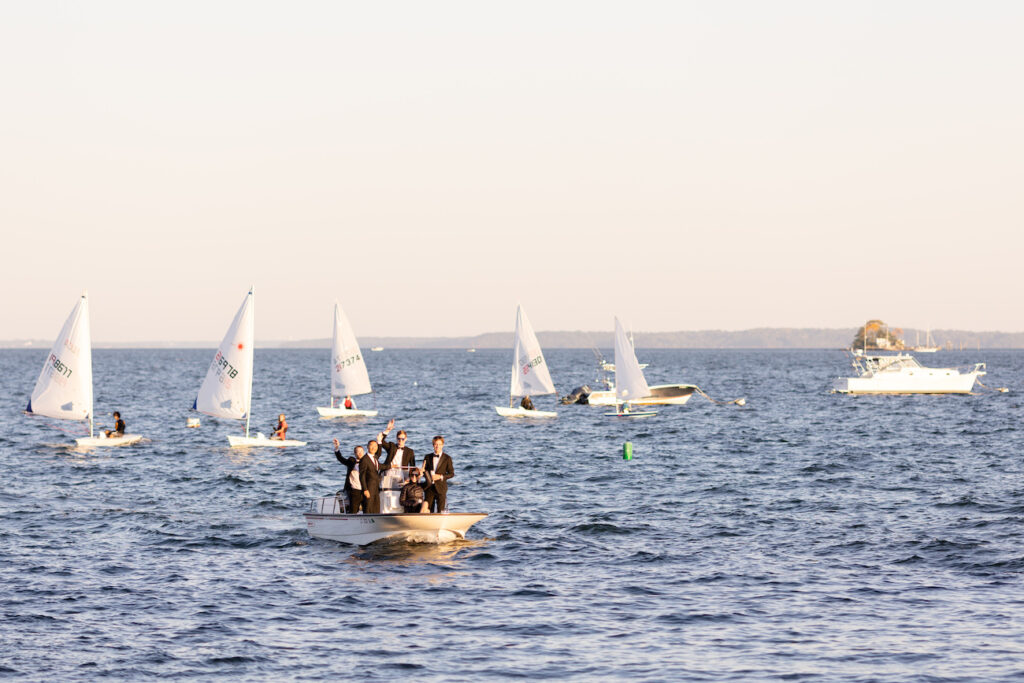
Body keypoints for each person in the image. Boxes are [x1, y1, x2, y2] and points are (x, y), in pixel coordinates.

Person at [422, 435, 454, 513]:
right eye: (436, 444)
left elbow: (451, 474)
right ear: (433, 445)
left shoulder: (447, 458)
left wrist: (440, 476)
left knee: (441, 511)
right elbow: (424, 471)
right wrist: (423, 473)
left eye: (439, 444)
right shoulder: (427, 457)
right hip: (429, 487)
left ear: (442, 445)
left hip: (441, 488)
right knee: (428, 510)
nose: (437, 446)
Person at [334, 439, 365, 513]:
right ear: (355, 453)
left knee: (366, 509)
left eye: (361, 451)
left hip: (365, 489)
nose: (360, 453)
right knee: (353, 509)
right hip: (354, 489)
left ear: (364, 452)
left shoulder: (367, 462)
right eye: (358, 451)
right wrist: (337, 448)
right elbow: (341, 459)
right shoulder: (351, 461)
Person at [359, 443, 382, 513]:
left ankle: (376, 522)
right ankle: (367, 522)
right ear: (368, 447)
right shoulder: (364, 459)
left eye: (375, 446)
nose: (374, 448)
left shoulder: (375, 458)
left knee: (376, 507)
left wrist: (391, 466)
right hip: (369, 488)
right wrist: (365, 489)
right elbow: (361, 476)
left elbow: (379, 466)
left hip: (376, 487)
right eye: (372, 446)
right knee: (368, 506)